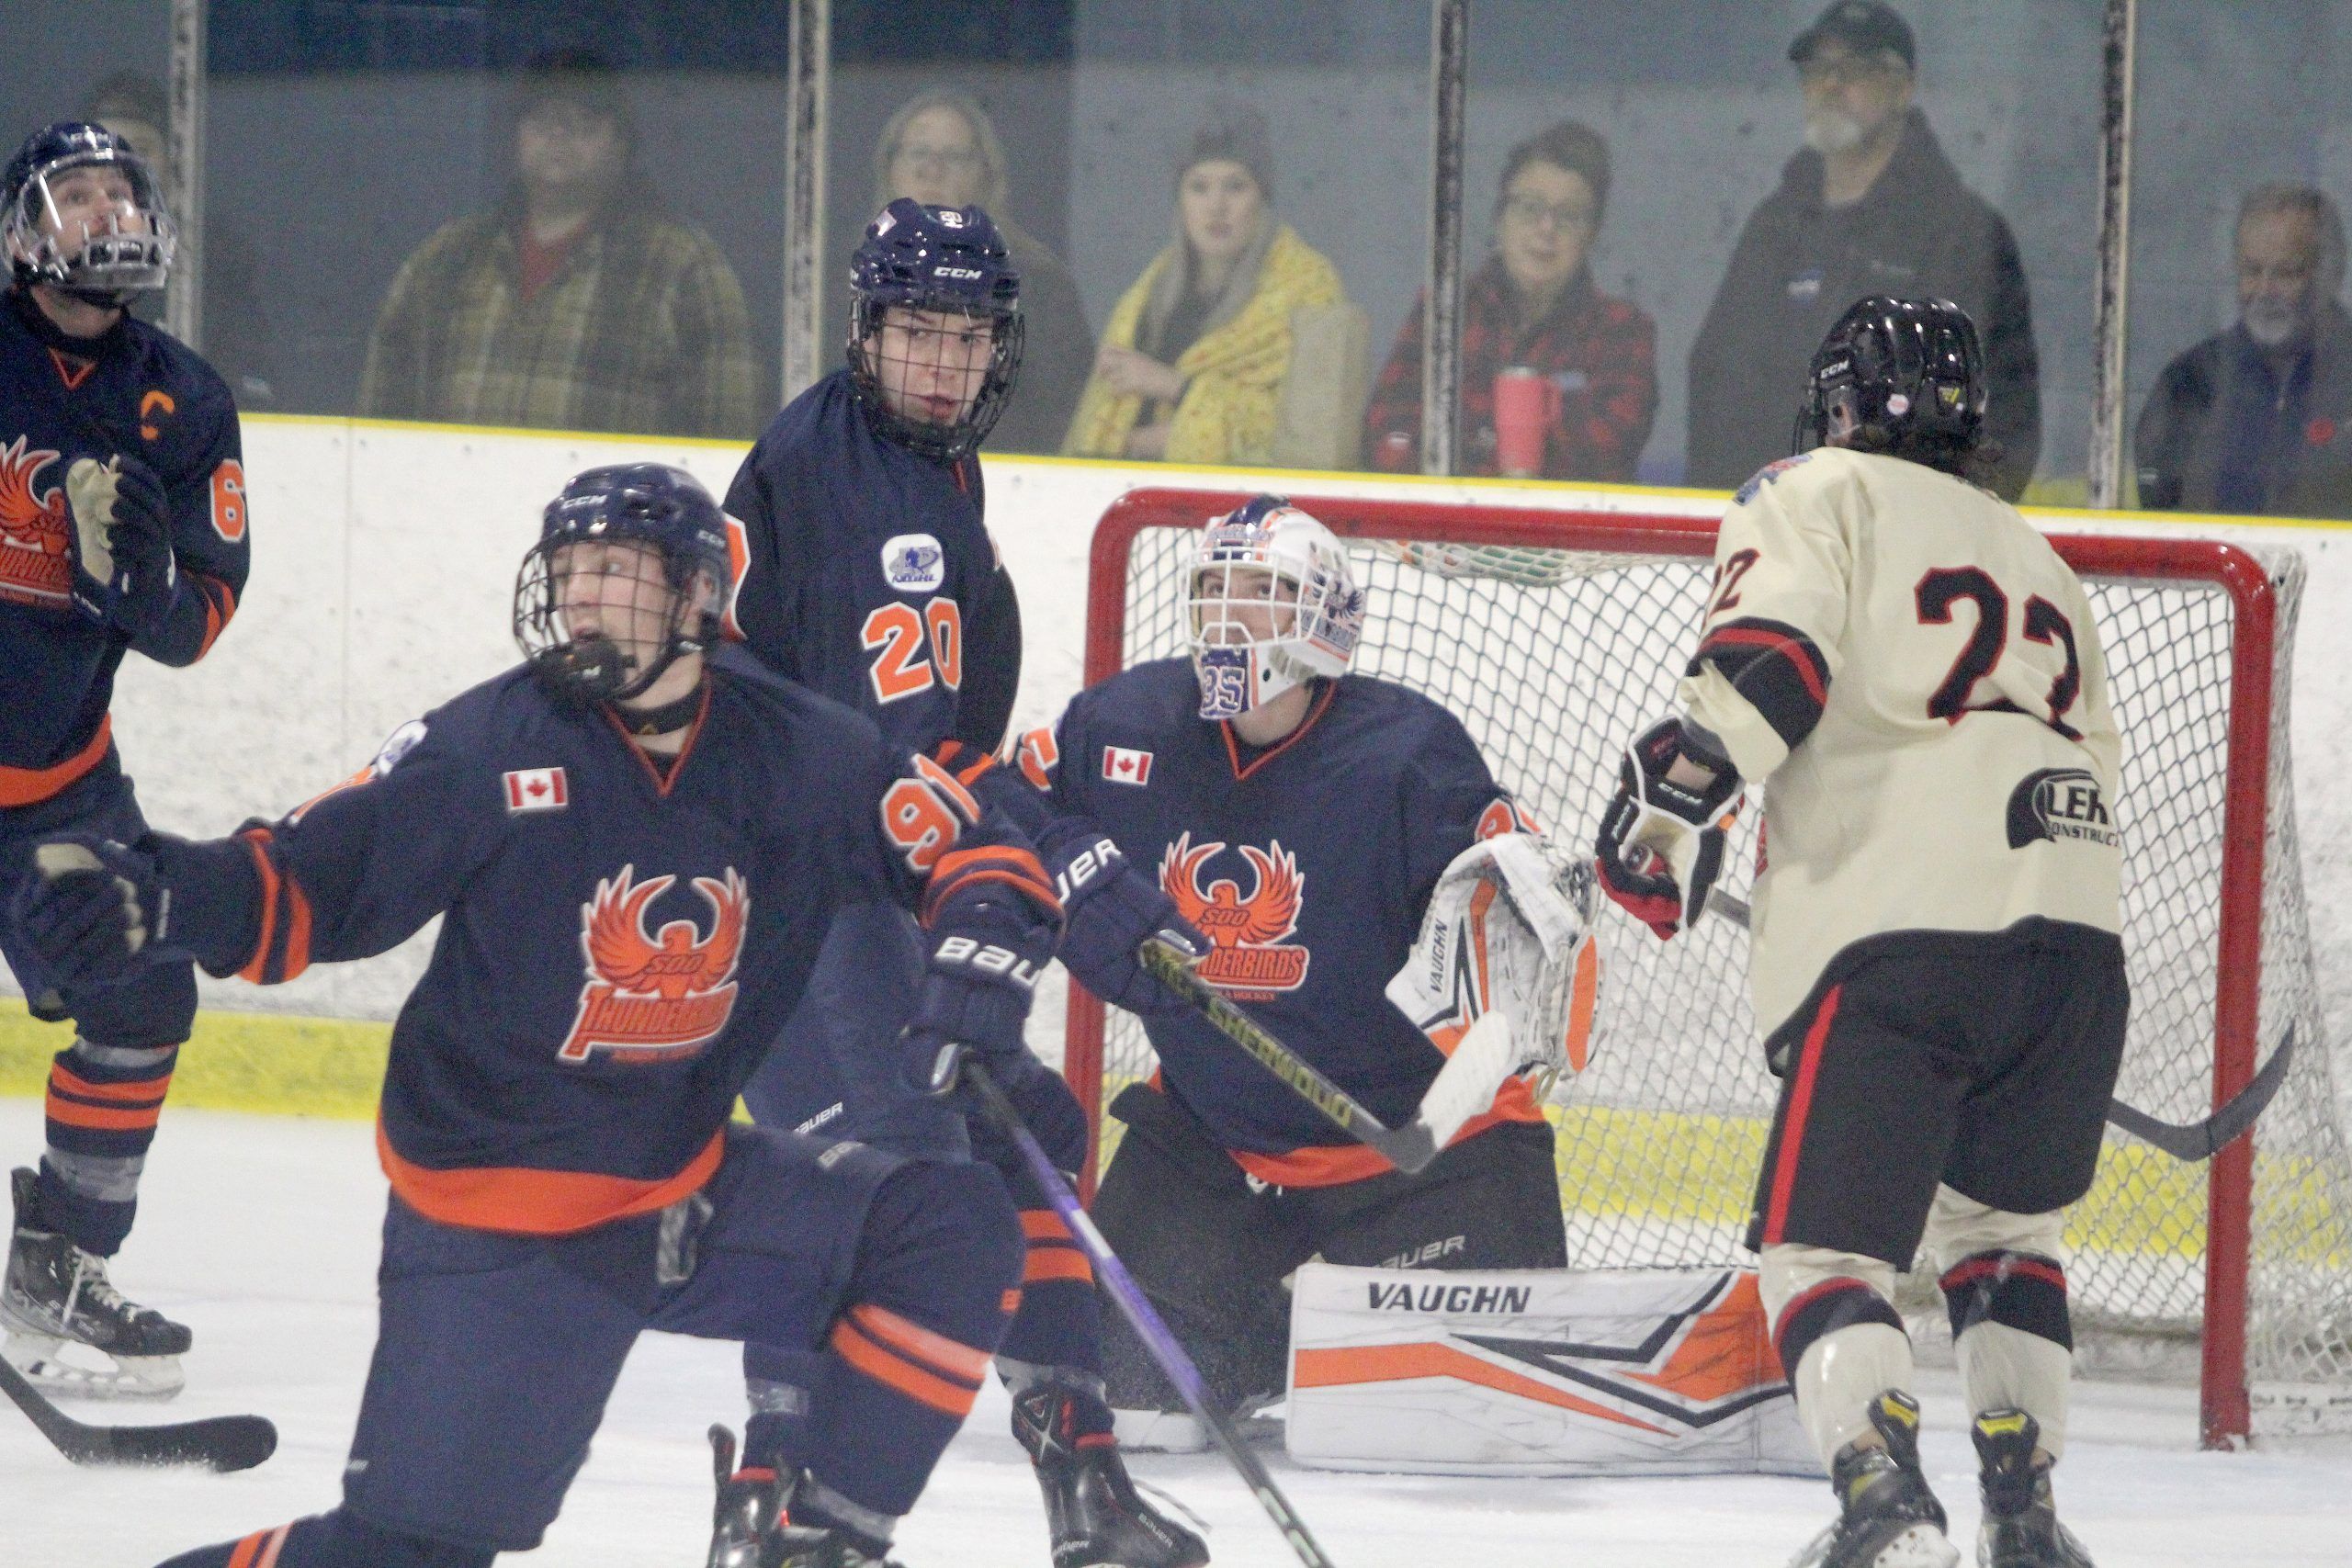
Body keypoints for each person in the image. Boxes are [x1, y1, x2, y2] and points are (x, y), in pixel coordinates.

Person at [14, 464, 1067, 1568]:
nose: (582, 597)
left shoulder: (799, 749)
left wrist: (979, 954)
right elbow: (309, 876)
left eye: (614, 569)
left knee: (950, 1231)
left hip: (680, 1193)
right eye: (568, 572)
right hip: (503, 1223)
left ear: (699, 596)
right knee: (406, 1557)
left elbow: (969, 844)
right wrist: (163, 896)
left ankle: (822, 1547)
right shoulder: (487, 746)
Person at [1595, 297, 2120, 1568]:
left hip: (1900, 941)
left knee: (1821, 1248)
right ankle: (2025, 1514)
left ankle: (1883, 1499)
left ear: (1837, 402)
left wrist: (1666, 814)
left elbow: (1770, 663)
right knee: (2004, 1237)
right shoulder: (2041, 558)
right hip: (2074, 945)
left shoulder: (1813, 488)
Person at [722, 198, 1207, 1568]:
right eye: (918, 332)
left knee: (996, 1143)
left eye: (968, 336)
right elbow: (869, 747)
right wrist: (1047, 849)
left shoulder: (908, 459)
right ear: (866, 330)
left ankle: (1066, 1476)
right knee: (922, 1185)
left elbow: (921, 748)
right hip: (801, 899)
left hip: (841, 883)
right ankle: (805, 1506)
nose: (943, 363)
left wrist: (1038, 848)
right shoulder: (849, 487)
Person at [990, 497, 1584, 1445]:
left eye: (1263, 590)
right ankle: (1275, 1329)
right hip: (1219, 1144)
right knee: (1130, 1399)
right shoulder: (1123, 725)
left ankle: (1318, 1320)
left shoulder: (1406, 755)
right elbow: (996, 799)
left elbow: (1515, 913)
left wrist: (1517, 957)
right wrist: (1062, 859)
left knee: (1449, 1421)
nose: (1230, 614)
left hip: (1426, 1159)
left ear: (1327, 617)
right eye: (1214, 588)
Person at [0, 120, 251, 1402]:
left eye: (121, 192)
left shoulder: (184, 401)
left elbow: (199, 619)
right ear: (23, 229)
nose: (106, 213)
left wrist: (142, 589)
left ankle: (55, 1269)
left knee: (145, 999)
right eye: (78, 193)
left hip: (57, 784)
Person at [1685, 1, 2041, 500]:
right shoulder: (1775, 227)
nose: (1830, 85)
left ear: (1903, 88)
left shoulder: (1962, 234)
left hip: (1905, 533)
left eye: (1854, 70)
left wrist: (1937, 524)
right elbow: (1717, 379)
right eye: (1817, 70)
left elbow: (2004, 418)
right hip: (1776, 525)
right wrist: (1737, 512)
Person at [356, 48, 760, 439]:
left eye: (584, 121)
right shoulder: (444, 261)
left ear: (622, 144)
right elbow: (378, 427)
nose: (560, 134)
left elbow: (726, 438)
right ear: (514, 138)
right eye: (542, 119)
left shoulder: (683, 268)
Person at [1363, 119, 1657, 480]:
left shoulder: (1622, 331)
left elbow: (1609, 450)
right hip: (1448, 515)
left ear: (1592, 234)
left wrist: (1477, 444)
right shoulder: (1445, 310)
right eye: (1530, 208)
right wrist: (1508, 448)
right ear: (1500, 218)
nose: (1546, 229)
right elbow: (1386, 433)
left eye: (1569, 216)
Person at [1062, 107, 1345, 466]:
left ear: (1263, 197)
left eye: (1235, 186)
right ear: (1180, 202)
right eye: (1199, 187)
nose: (1216, 206)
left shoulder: (1309, 290)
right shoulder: (1149, 294)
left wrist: (1172, 388)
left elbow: (1310, 434)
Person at [871, 88, 1094, 456]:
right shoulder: (857, 277)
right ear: (890, 168)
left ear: (985, 174)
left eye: (954, 157)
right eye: (918, 154)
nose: (933, 171)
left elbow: (1064, 409)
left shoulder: (1038, 281)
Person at [2134, 183, 2352, 517]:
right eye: (2252, 271)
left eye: (2286, 273)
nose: (2265, 290)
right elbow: (2161, 507)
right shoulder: (2192, 382)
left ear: (2330, 276)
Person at [79, 72, 277, 408]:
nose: (120, 171)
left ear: (174, 166)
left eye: (140, 151)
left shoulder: (215, 263)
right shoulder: (53, 264)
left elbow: (250, 384)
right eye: (104, 156)